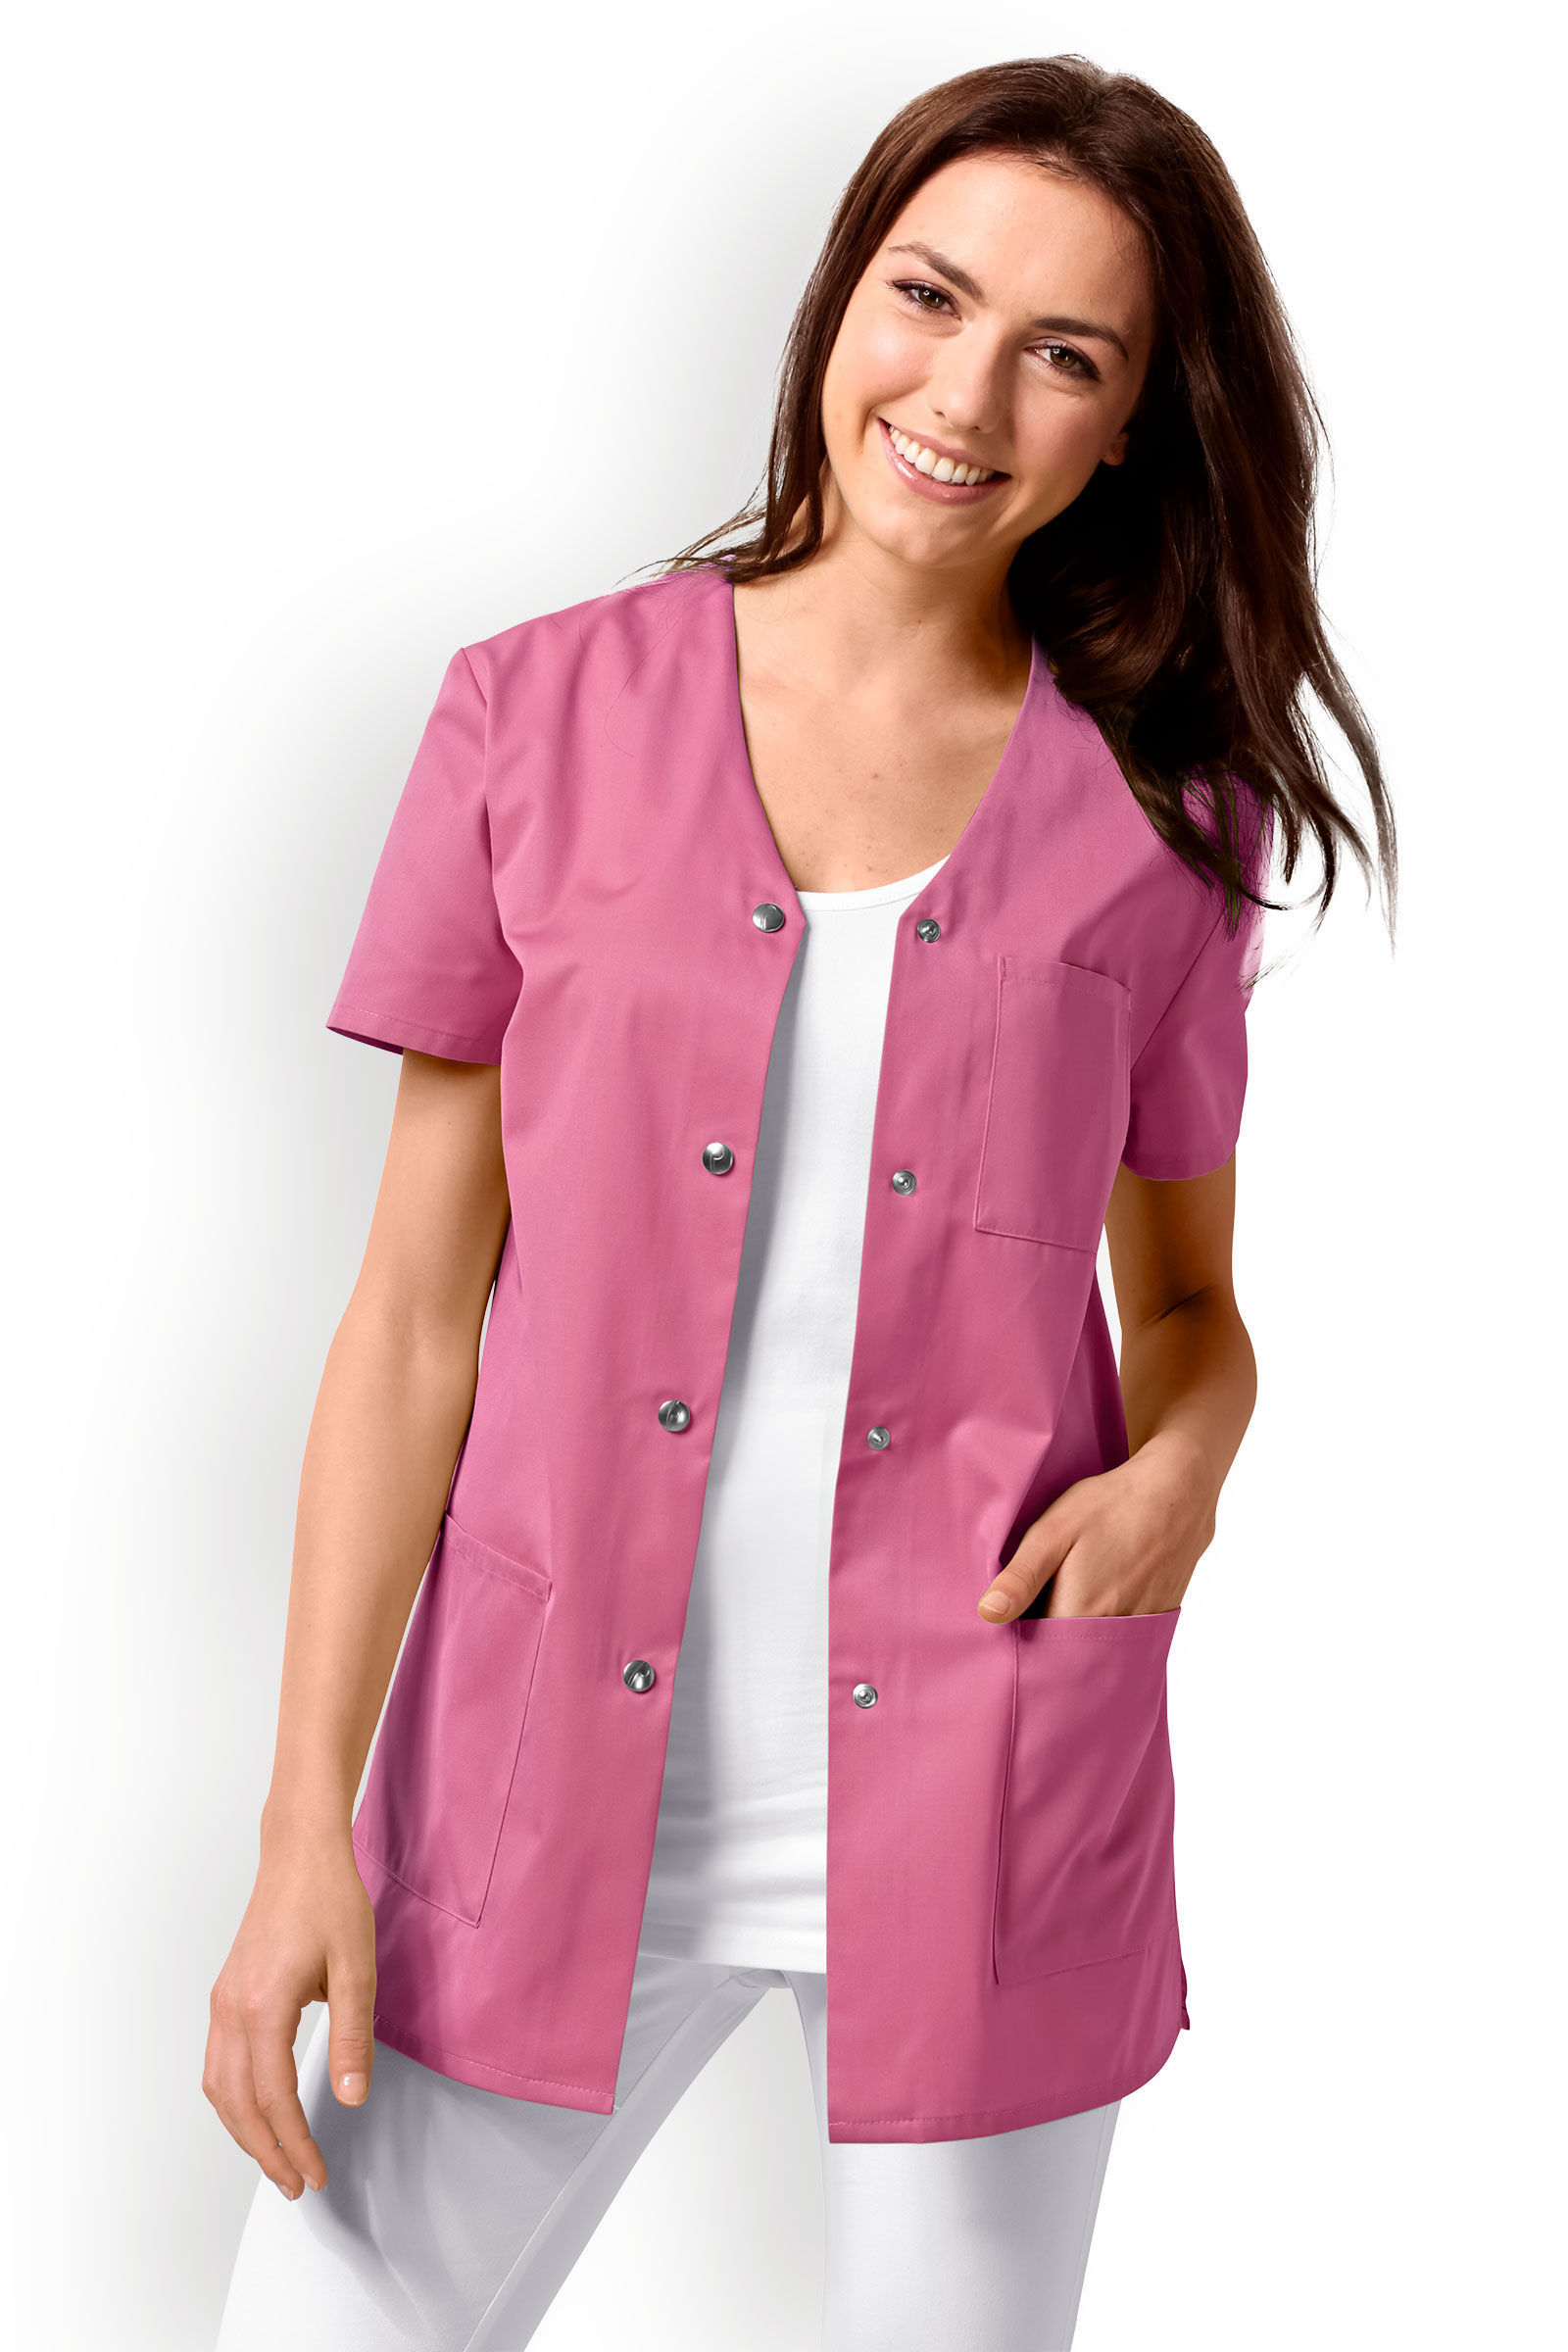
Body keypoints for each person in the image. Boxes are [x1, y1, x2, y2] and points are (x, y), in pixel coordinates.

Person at [206, 54, 1394, 2352]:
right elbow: (411, 1322)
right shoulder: (528, 720)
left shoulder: (1168, 818)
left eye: (1063, 353)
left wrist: (1188, 1469)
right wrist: (295, 1835)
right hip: (536, 1798)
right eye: (926, 298)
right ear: (841, 296)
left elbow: (1186, 1308)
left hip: (987, 1791)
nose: (963, 394)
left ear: (1128, 428)